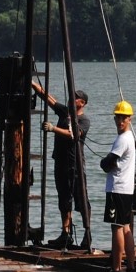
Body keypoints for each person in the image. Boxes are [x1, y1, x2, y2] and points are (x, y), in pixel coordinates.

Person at [31, 81, 90, 249]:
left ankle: (87, 233)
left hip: (75, 164)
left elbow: (75, 135)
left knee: (81, 199)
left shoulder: (84, 120)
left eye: (76, 97)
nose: (73, 98)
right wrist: (33, 83)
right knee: (63, 199)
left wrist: (53, 129)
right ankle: (66, 233)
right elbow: (48, 98)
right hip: (61, 163)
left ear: (82, 103)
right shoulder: (65, 112)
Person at [100, 100, 136, 272]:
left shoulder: (122, 139)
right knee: (126, 227)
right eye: (118, 117)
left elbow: (107, 164)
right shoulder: (130, 138)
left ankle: (116, 269)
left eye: (124, 118)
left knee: (117, 228)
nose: (120, 121)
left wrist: (104, 162)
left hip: (118, 188)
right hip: (127, 189)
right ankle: (130, 266)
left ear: (130, 119)